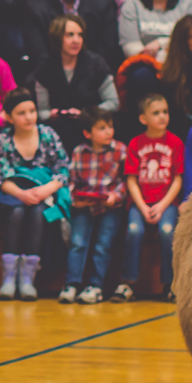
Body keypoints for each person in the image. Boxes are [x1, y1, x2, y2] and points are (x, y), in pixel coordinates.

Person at [0, 87, 69, 303]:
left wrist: (45, 190)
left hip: (44, 193)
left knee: (37, 213)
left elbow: (63, 168)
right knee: (16, 212)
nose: (28, 117)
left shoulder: (48, 134)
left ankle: (28, 278)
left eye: (32, 111)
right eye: (21, 113)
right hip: (12, 193)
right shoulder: (3, 140)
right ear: (9, 117)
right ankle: (8, 278)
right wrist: (21, 194)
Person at [119, 93, 183, 303]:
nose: (162, 116)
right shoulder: (135, 143)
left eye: (165, 112)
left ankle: (170, 285)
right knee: (134, 230)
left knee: (167, 231)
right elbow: (131, 180)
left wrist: (162, 205)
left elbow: (178, 179)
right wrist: (143, 207)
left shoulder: (175, 142)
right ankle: (128, 283)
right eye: (156, 113)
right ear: (143, 119)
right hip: (140, 203)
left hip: (166, 203)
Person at [60, 107, 127, 305]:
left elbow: (126, 181)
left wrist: (115, 196)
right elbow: (72, 181)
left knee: (103, 244)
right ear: (87, 133)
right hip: (85, 205)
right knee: (78, 242)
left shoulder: (120, 150)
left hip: (110, 206)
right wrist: (77, 200)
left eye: (110, 127)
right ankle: (72, 284)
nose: (108, 132)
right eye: (102, 128)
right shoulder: (79, 152)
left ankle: (95, 286)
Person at [17, 0, 121, 75]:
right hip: (51, 76)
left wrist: (83, 76)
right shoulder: (35, 7)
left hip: (95, 75)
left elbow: (107, 51)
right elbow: (39, 55)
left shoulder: (103, 4)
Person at [28, 14, 120, 150]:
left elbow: (113, 103)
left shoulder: (96, 64)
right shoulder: (45, 68)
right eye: (70, 35)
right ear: (57, 38)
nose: (76, 40)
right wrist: (51, 114)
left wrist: (85, 115)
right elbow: (42, 111)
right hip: (60, 129)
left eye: (80, 35)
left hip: (92, 130)